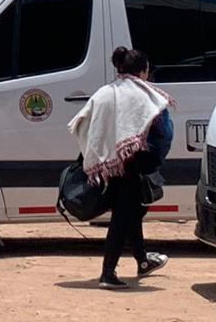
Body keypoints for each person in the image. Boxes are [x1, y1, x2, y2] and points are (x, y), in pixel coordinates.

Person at [68, 46, 174, 290]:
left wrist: (99, 156)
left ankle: (143, 261)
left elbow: (81, 125)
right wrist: (152, 158)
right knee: (123, 219)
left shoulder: (103, 93)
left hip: (108, 167)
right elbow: (163, 133)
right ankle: (108, 274)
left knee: (130, 214)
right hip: (133, 169)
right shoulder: (148, 96)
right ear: (143, 70)